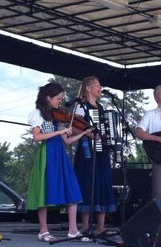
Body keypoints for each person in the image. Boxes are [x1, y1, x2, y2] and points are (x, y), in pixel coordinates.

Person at [27, 82, 92, 242]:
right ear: (48, 98)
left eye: (61, 98)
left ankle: (73, 230)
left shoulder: (58, 116)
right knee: (45, 190)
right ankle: (43, 231)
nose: (60, 101)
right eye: (58, 98)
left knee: (72, 189)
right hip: (46, 154)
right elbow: (37, 137)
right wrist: (60, 131)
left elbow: (67, 141)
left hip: (60, 155)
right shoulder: (38, 114)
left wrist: (83, 133)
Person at [73, 76, 117, 237]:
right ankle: (85, 226)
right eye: (97, 85)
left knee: (103, 182)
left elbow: (106, 128)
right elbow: (74, 127)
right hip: (86, 149)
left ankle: (101, 226)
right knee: (87, 182)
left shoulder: (101, 108)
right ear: (88, 89)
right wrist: (88, 134)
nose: (100, 87)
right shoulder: (80, 107)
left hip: (101, 150)